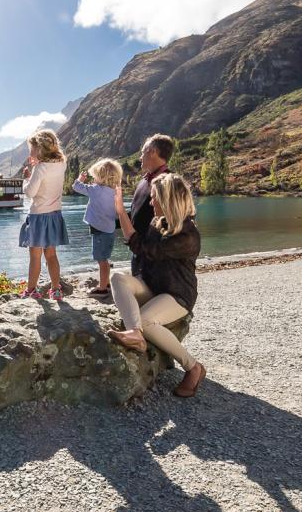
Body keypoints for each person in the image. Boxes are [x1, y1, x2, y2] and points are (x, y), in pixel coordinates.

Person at [108, 173, 205, 397]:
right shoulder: (157, 222)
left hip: (177, 295)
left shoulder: (188, 236)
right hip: (153, 287)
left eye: (154, 198)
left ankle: (193, 367)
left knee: (146, 319)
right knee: (117, 278)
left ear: (167, 199)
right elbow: (139, 247)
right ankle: (135, 334)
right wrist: (119, 211)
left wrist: (122, 213)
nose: (151, 202)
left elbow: (144, 249)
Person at [18, 129, 68, 300]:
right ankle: (56, 289)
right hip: (54, 215)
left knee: (35, 256)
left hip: (39, 216)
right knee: (52, 255)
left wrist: (26, 178)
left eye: (31, 149)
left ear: (38, 150)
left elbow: (31, 192)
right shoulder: (62, 164)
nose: (30, 153)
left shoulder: (40, 168)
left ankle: (32, 289)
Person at [72, 158, 122, 296]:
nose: (93, 179)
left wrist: (80, 179)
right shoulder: (115, 192)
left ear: (101, 177)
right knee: (105, 259)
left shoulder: (95, 190)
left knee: (101, 260)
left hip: (99, 230)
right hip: (110, 229)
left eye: (94, 176)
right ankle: (105, 283)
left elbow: (76, 187)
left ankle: (102, 288)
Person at [127, 134, 173, 277]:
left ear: (152, 152)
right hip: (138, 252)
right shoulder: (144, 181)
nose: (140, 157)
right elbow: (136, 213)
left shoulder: (169, 182)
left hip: (156, 257)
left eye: (142, 152)